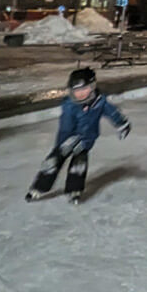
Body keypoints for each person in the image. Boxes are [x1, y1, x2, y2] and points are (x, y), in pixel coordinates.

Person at [25, 68, 131, 203]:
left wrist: (122, 124)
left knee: (78, 166)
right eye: (76, 91)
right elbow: (66, 126)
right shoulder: (69, 105)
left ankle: (74, 190)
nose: (80, 94)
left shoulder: (100, 103)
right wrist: (65, 142)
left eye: (83, 89)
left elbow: (113, 113)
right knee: (52, 163)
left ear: (92, 87)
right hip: (65, 141)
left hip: (85, 141)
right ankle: (38, 188)